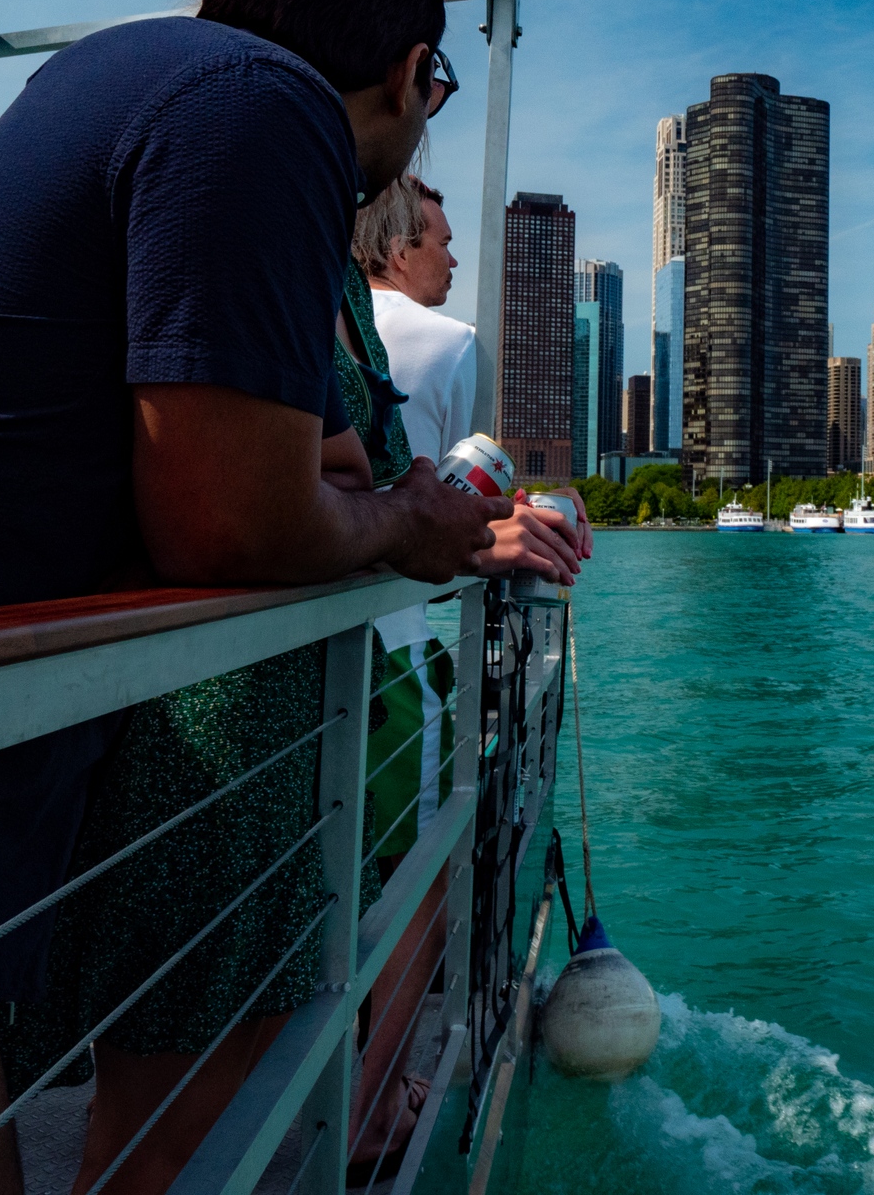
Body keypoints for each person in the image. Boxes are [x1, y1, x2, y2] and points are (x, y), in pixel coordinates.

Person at [0, 0, 510, 1195]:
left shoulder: (151, 79)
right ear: (410, 72)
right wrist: (413, 522)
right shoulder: (261, 110)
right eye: (433, 93)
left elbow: (282, 456)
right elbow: (230, 518)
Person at [344, 174, 587, 1176]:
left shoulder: (323, 322)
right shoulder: (446, 343)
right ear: (393, 247)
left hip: (300, 653)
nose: (451, 257)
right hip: (390, 650)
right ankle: (373, 1107)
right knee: (416, 875)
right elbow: (449, 508)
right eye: (439, 240)